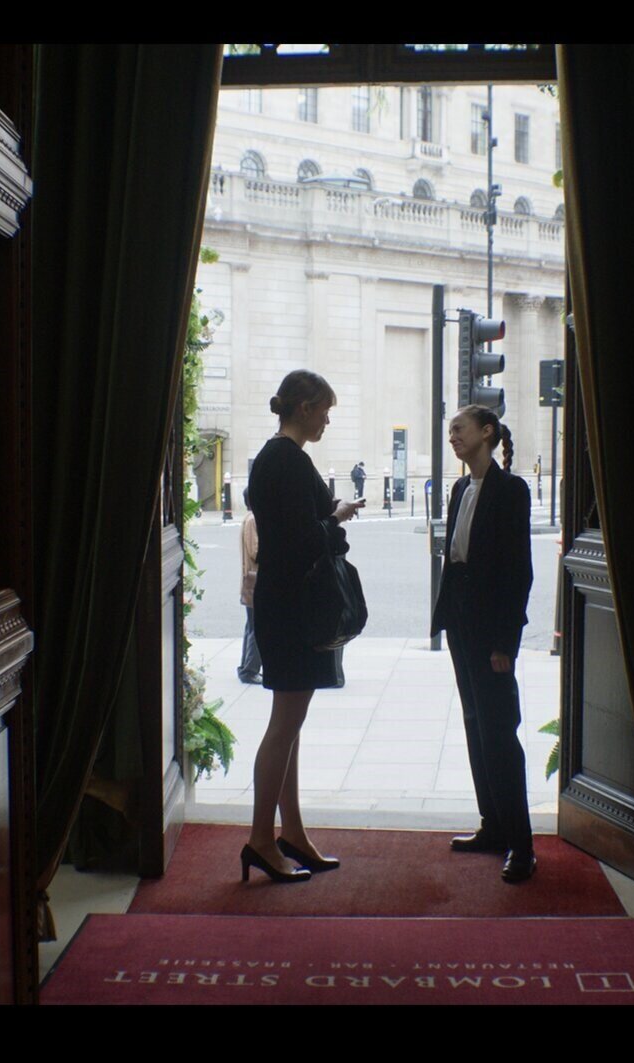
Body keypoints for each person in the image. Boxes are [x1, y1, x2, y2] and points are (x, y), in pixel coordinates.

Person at [240, 370, 363, 883]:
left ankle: (290, 832)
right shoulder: (287, 460)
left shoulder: (276, 457)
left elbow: (288, 530)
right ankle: (260, 839)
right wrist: (337, 518)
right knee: (284, 726)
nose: (327, 421)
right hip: (292, 606)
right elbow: (301, 541)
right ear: (305, 407)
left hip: (283, 602)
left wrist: (329, 518)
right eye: (325, 411)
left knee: (289, 723)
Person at [430, 404, 537, 883]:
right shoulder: (459, 488)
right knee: (475, 724)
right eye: (451, 430)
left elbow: (518, 572)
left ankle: (521, 845)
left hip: (491, 629)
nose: (452, 436)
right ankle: (493, 825)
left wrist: (504, 644)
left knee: (498, 731)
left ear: (486, 432)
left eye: (459, 429)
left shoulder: (511, 490)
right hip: (460, 622)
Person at [237, 489, 262, 684]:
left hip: (251, 580)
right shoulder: (253, 520)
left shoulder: (249, 518)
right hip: (256, 580)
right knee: (258, 627)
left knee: (252, 625)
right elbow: (256, 551)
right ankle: (250, 670)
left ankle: (246, 667)